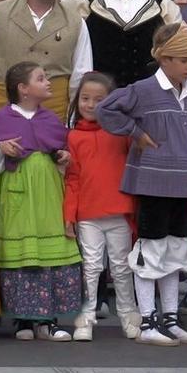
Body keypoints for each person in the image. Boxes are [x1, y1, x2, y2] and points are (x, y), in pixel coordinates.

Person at [94, 21, 187, 346]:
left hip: (183, 182)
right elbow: (106, 109)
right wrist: (135, 132)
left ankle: (170, 319)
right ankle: (147, 322)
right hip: (154, 181)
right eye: (184, 60)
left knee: (176, 248)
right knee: (150, 249)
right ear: (165, 59)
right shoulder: (143, 90)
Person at [0, 62, 82, 341]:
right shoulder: (3, 119)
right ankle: (23, 319)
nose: (48, 82)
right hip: (16, 189)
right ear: (23, 89)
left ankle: (47, 318)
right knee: (21, 254)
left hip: (47, 192)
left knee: (48, 250)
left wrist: (63, 155)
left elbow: (59, 147)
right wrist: (0, 147)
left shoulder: (50, 119)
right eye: (41, 78)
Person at [64, 72, 137, 341]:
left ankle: (128, 313)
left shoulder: (122, 134)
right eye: (85, 98)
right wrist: (69, 214)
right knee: (91, 265)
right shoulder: (72, 137)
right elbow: (72, 179)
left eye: (98, 99)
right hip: (87, 213)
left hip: (119, 209)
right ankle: (87, 314)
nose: (90, 104)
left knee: (121, 266)